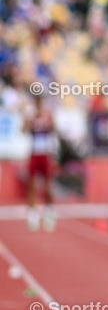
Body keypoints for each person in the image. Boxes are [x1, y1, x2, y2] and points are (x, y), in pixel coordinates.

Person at [24, 93, 57, 231]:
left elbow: (54, 129)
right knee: (31, 184)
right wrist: (29, 119)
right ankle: (32, 215)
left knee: (47, 184)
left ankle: (49, 212)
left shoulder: (47, 114)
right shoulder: (30, 115)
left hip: (44, 153)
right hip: (34, 153)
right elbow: (23, 130)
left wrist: (48, 120)